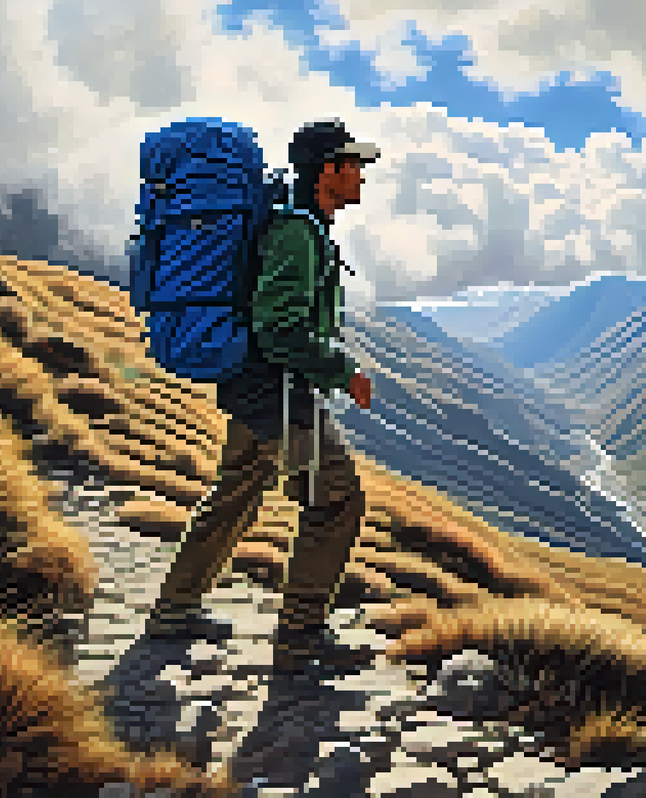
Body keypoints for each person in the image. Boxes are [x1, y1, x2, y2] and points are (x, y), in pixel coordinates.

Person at [147, 119, 377, 675]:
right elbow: (278, 329)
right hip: (277, 392)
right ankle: (300, 638)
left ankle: (174, 611)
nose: (361, 175)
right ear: (327, 171)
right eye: (352, 165)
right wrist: (342, 369)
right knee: (337, 500)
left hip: (251, 387)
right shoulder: (297, 233)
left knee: (237, 493)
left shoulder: (296, 223)